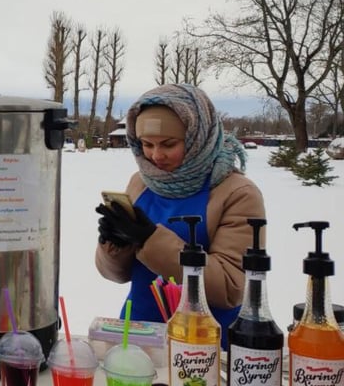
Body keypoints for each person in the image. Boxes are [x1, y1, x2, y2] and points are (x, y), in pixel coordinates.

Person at [94, 83, 264, 348]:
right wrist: (114, 245)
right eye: (146, 144)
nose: (156, 155)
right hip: (139, 336)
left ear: (197, 137)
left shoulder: (236, 193)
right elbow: (117, 275)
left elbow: (231, 287)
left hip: (204, 344)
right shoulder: (141, 182)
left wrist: (150, 240)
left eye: (169, 144)